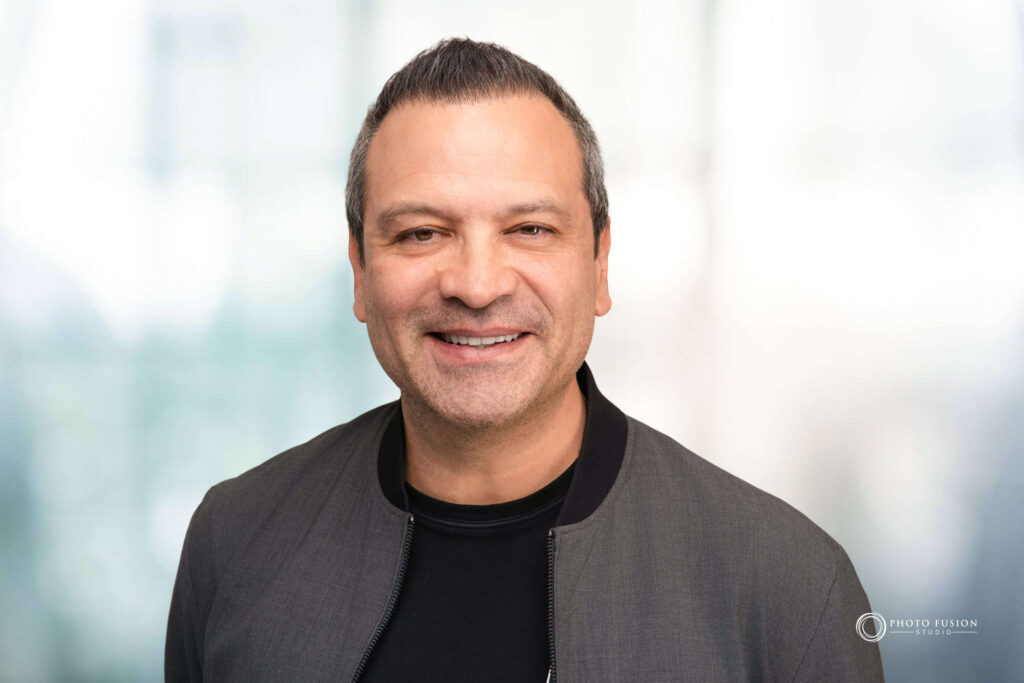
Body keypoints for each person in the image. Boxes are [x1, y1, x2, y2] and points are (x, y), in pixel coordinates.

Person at [165, 38, 885, 682]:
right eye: (421, 233)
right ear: (359, 271)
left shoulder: (788, 587)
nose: (477, 286)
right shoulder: (235, 543)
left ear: (599, 264)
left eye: (531, 229)